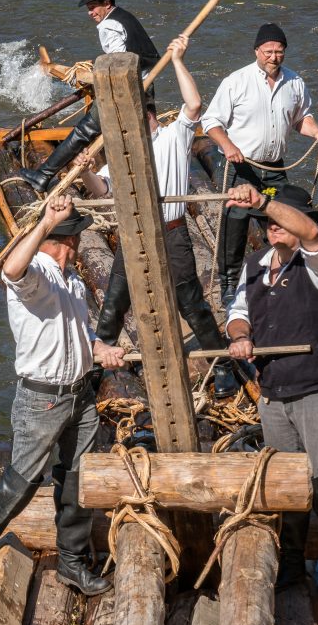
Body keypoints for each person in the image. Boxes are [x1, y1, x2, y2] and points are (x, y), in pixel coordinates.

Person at [0, 195, 127, 596]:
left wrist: (100, 349)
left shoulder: (73, 282)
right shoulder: (37, 278)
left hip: (80, 393)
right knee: (24, 478)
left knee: (77, 477)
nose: (81, 244)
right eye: (77, 238)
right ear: (66, 241)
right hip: (43, 399)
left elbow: (79, 334)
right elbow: (10, 269)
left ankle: (72, 561)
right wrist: (46, 222)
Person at [223, 182, 318, 620]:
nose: (274, 228)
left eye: (280, 220)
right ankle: (292, 563)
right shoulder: (255, 265)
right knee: (286, 485)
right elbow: (237, 315)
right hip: (274, 392)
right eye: (268, 223)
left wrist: (265, 202)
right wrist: (241, 338)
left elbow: (308, 234)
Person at [73, 34, 239, 399]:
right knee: (115, 302)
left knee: (191, 303)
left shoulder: (172, 137)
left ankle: (222, 363)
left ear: (145, 115)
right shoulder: (121, 151)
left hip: (171, 230)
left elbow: (193, 104)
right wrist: (85, 169)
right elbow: (103, 192)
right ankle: (98, 363)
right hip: (133, 236)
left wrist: (177, 59)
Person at [201, 23, 318, 304]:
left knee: (282, 218)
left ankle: (287, 272)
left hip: (274, 168)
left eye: (279, 52)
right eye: (268, 51)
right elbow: (210, 121)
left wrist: (316, 131)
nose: (274, 57)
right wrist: (228, 146)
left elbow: (301, 119)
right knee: (235, 222)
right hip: (240, 166)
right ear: (256, 51)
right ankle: (229, 284)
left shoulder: (294, 82)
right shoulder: (236, 81)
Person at [19, 0, 161, 193]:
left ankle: (43, 175)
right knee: (149, 131)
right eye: (88, 8)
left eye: (94, 7)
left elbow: (119, 64)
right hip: (146, 83)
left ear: (107, 3)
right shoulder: (125, 17)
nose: (91, 13)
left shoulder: (108, 26)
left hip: (126, 90)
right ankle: (157, 177)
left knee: (84, 131)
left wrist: (96, 79)